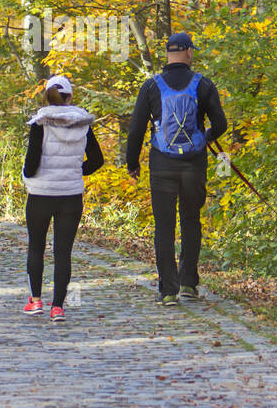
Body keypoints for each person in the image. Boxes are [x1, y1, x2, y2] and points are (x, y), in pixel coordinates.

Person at [126, 32, 227, 307]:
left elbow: (135, 129)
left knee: (164, 226)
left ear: (168, 53)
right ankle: (188, 284)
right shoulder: (203, 84)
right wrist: (204, 137)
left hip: (162, 164)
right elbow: (221, 124)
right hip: (193, 164)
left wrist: (132, 163)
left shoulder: (151, 87)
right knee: (191, 221)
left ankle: (168, 290)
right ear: (189, 53)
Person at [22, 74, 104, 321]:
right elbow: (98, 160)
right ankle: (57, 306)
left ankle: (35, 301)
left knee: (36, 248)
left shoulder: (40, 124)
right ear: (70, 97)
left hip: (40, 195)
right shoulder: (83, 124)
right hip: (71, 195)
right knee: (63, 252)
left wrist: (27, 174)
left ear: (47, 95)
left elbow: (31, 165)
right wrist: (78, 171)